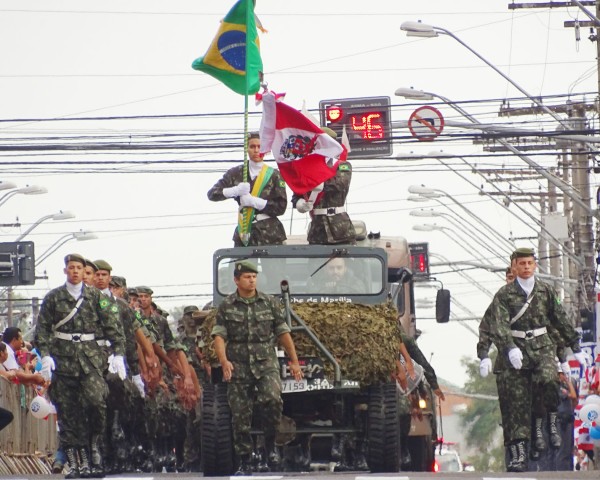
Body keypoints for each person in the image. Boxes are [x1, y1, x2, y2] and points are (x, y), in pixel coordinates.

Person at [487, 247, 589, 472]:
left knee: (549, 380)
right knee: (518, 407)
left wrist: (575, 346)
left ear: (534, 266)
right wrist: (508, 348)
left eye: (529, 263)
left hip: (542, 347)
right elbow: (498, 326)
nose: (525, 267)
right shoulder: (504, 296)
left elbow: (559, 320)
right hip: (516, 351)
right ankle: (520, 456)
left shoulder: (545, 291)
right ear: (514, 266)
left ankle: (547, 423)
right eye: (521, 263)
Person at [35, 253, 126, 479]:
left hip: (90, 361)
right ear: (65, 271)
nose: (75, 271)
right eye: (71, 267)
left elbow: (114, 326)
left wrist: (118, 354)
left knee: (96, 402)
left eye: (79, 268)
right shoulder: (53, 298)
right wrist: (45, 356)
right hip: (63, 361)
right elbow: (42, 331)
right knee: (68, 413)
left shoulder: (96, 297)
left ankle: (94, 445)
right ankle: (78, 462)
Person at [211, 260, 303, 475]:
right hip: (239, 366)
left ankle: (270, 443)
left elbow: (283, 332)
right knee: (240, 415)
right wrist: (224, 361)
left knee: (272, 399)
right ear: (236, 280)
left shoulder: (269, 303)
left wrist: (294, 361)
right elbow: (219, 336)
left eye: (254, 277)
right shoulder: (227, 306)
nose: (251, 280)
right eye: (246, 277)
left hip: (265, 364)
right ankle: (244, 459)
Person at [207, 132, 287, 246]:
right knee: (240, 264)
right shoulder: (236, 173)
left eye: (260, 147)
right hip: (244, 232)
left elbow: (281, 207)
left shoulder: (274, 175)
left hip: (270, 233)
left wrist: (254, 202)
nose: (256, 150)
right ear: (246, 149)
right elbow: (212, 194)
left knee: (272, 264)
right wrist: (234, 191)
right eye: (252, 146)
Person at [292, 127, 355, 245]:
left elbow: (339, 184)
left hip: (339, 227)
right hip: (317, 229)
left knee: (344, 262)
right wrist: (299, 203)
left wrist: (312, 180)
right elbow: (297, 192)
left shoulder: (342, 165)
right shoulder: (307, 168)